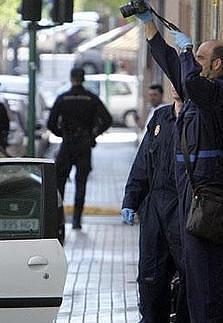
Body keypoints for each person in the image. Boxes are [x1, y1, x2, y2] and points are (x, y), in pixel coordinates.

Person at [136, 5, 223, 321]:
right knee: (192, 275)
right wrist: (150, 28)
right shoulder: (196, 85)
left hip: (210, 195)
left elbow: (191, 81)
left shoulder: (213, 91)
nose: (194, 63)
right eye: (194, 56)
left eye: (201, 58)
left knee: (207, 277)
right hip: (188, 192)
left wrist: (186, 49)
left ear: (218, 64)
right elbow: (173, 65)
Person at [121, 84, 188, 322]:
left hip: (185, 209)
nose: (173, 85)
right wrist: (131, 199)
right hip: (155, 210)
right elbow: (142, 162)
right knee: (150, 277)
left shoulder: (199, 117)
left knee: (189, 281)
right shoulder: (161, 117)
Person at [47, 67, 112, 229]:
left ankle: (58, 219)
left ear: (71, 78)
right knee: (81, 183)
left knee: (60, 182)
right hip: (84, 144)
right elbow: (107, 119)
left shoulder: (63, 98)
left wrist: (62, 134)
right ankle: (77, 220)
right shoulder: (91, 98)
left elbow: (50, 123)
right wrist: (93, 135)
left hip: (67, 144)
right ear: (83, 79)